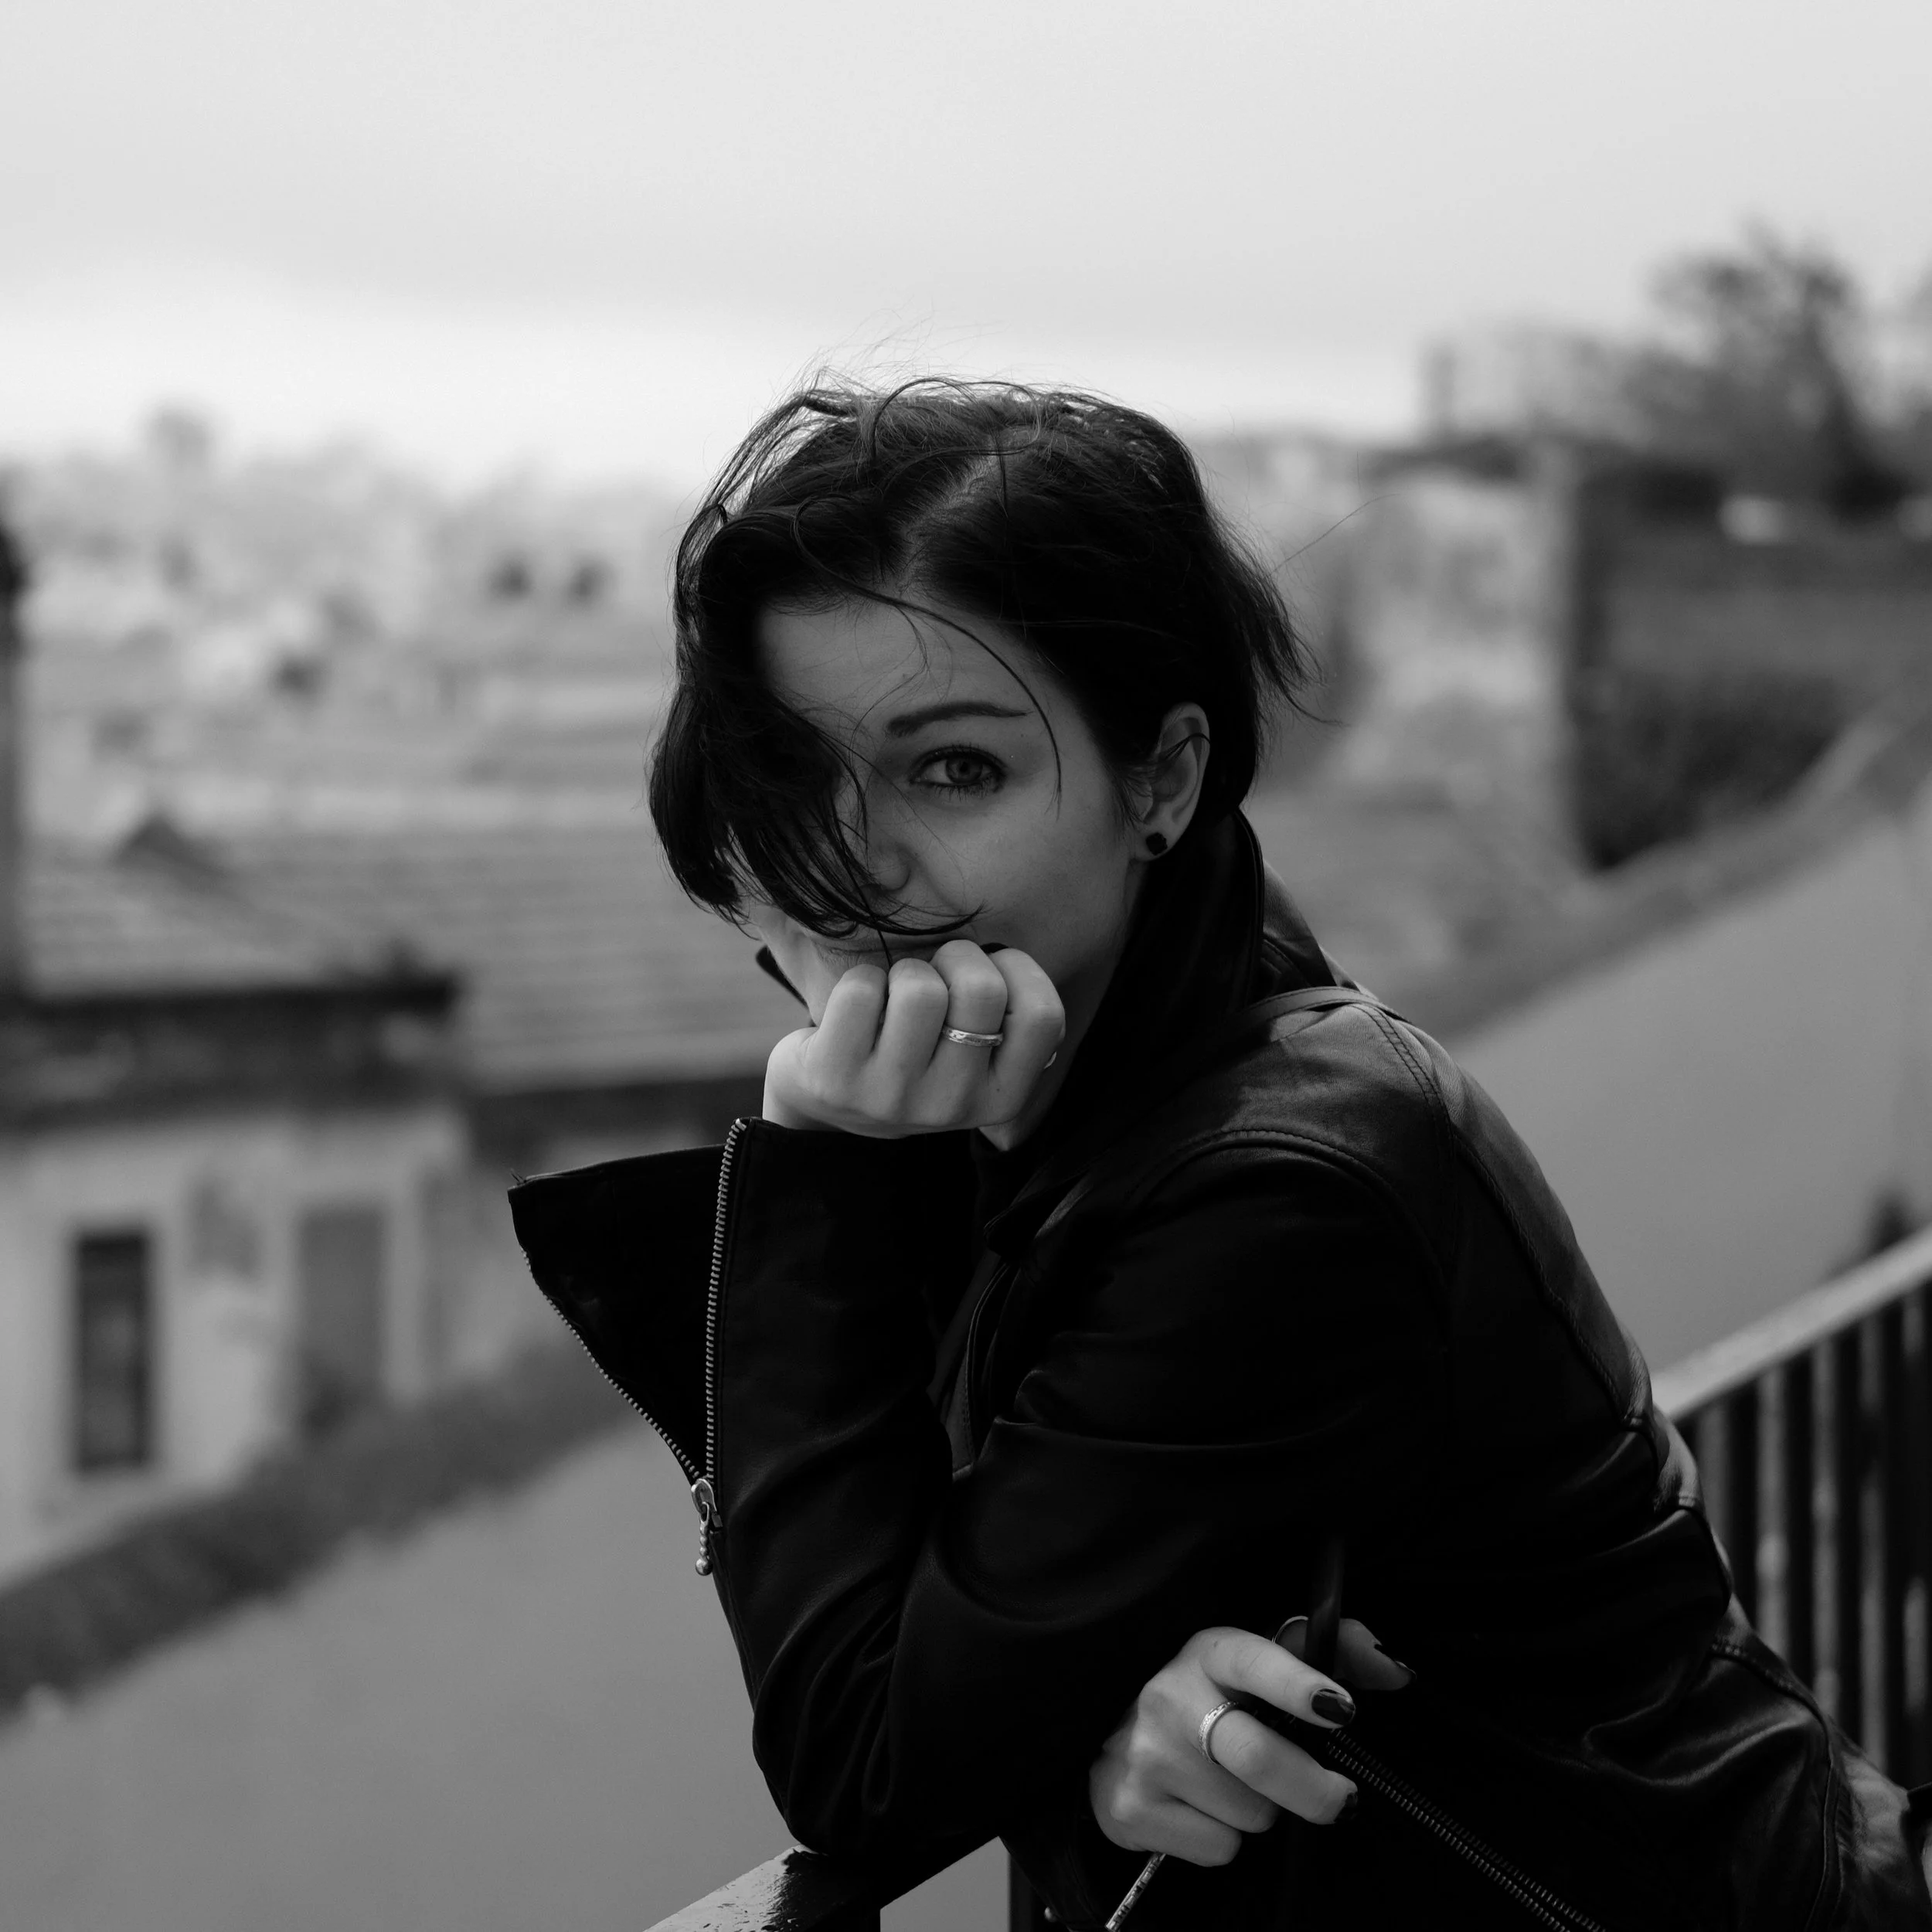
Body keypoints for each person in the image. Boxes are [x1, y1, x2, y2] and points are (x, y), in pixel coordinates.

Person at [511, 379, 1930, 1929]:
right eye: (792, 775)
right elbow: (987, 1639)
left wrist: (822, 1160)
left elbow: (862, 1753)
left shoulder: (1279, 1184)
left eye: (955, 768)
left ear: (1165, 779)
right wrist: (1081, 1734)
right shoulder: (1089, 1072)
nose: (853, 867)